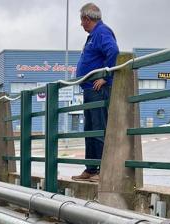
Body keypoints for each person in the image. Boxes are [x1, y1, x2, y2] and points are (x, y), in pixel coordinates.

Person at [71, 2, 119, 182]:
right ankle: (91, 168)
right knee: (90, 128)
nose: (81, 24)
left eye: (82, 20)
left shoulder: (102, 32)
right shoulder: (94, 34)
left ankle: (102, 170)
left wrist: (106, 77)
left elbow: (113, 51)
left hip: (98, 89)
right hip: (90, 89)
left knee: (98, 128)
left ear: (87, 18)